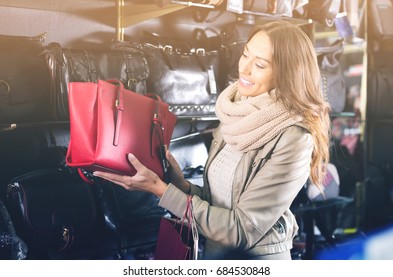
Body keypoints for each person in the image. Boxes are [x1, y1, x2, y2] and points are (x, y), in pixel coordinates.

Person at [93, 20, 331, 260]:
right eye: (245, 55)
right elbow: (220, 202)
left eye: (259, 65)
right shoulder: (237, 113)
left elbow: (240, 228)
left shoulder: (294, 138)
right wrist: (179, 184)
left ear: (286, 74)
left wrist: (160, 190)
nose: (244, 69)